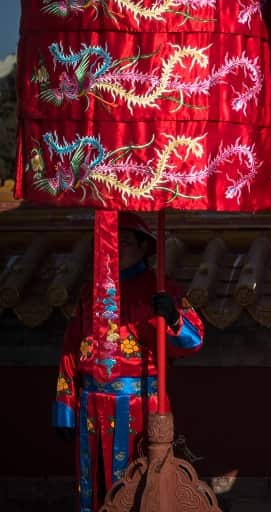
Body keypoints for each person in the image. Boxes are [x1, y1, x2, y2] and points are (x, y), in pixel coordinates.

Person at [53, 212, 204, 512]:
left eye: (124, 242)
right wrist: (65, 406)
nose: (116, 249)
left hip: (138, 402)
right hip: (91, 405)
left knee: (140, 485)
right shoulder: (90, 293)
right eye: (110, 242)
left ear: (143, 247)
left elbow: (194, 341)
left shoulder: (162, 290)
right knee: (92, 486)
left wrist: (173, 317)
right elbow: (71, 349)